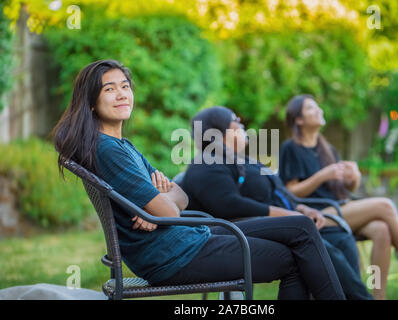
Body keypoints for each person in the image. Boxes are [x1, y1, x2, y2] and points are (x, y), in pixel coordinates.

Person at [51, 60, 345, 300]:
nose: (122, 94)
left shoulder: (123, 146)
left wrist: (161, 204)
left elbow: (179, 195)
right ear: (91, 102)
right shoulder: (109, 150)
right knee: (298, 244)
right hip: (173, 255)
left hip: (186, 238)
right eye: (109, 89)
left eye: (125, 87)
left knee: (299, 232)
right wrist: (161, 205)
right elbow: (167, 209)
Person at [181, 106, 373, 300]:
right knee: (321, 246)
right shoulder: (207, 164)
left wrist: (300, 207)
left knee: (340, 237)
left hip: (284, 224)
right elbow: (229, 204)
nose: (242, 124)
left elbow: (279, 192)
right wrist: (288, 216)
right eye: (236, 121)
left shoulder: (246, 161)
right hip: (245, 232)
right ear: (219, 132)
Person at [278, 94, 398, 299]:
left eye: (317, 107)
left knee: (382, 229)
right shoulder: (291, 148)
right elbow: (290, 191)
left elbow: (346, 188)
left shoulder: (327, 148)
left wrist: (354, 177)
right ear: (298, 119)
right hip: (318, 212)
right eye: (311, 108)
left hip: (341, 206)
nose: (319, 110)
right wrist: (322, 176)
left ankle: (378, 295)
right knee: (385, 206)